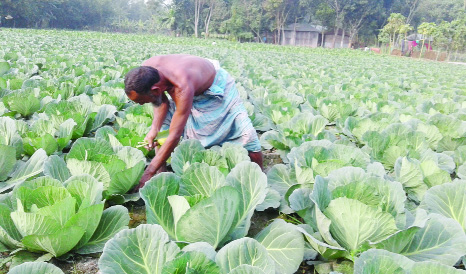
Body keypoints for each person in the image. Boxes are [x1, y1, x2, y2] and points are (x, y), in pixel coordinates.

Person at [124, 54, 263, 191]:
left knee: (245, 133)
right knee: (162, 134)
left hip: (216, 87)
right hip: (189, 84)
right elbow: (160, 101)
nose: (142, 105)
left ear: (156, 89)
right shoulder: (146, 73)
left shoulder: (181, 86)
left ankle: (260, 180)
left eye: (142, 101)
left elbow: (174, 135)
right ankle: (162, 177)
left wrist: (147, 173)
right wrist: (154, 129)